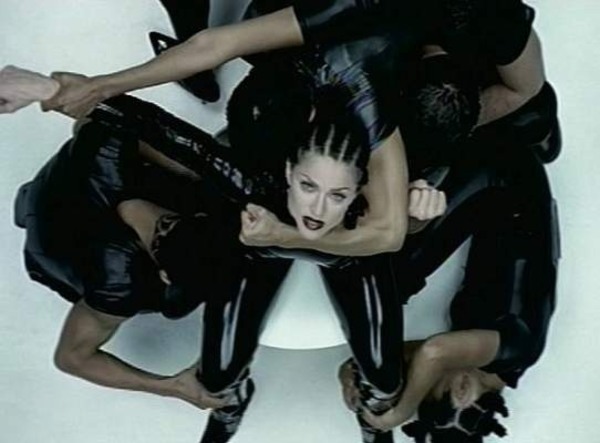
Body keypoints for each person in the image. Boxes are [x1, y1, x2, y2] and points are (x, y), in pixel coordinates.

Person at [6, 66, 446, 443]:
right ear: (288, 172)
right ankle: (230, 402)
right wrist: (50, 90)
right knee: (217, 376)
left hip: (347, 254)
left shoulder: (368, 209)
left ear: (359, 188)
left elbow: (136, 124)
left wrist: (417, 214)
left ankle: (372, 407)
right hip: (249, 249)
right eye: (307, 187)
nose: (317, 211)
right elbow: (157, 129)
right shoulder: (248, 198)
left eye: (337, 195)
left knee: (385, 375)